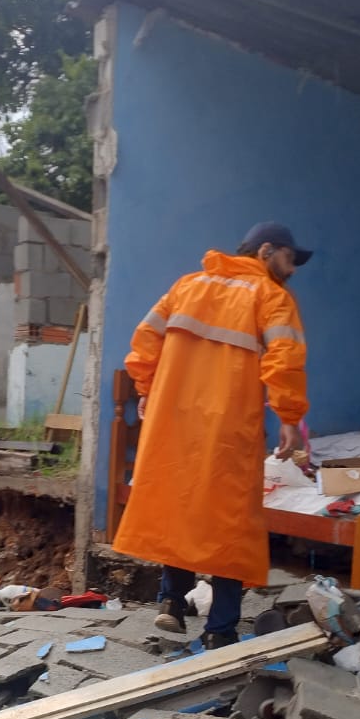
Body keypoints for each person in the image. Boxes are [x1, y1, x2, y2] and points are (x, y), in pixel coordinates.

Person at [113, 221, 310, 649]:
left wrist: (146, 390)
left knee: (180, 507)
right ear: (266, 252)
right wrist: (289, 417)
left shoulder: (187, 286)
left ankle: (170, 603)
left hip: (173, 419)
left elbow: (145, 342)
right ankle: (220, 629)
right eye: (290, 259)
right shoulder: (271, 297)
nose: (292, 270)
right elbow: (285, 360)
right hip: (228, 424)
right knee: (230, 520)